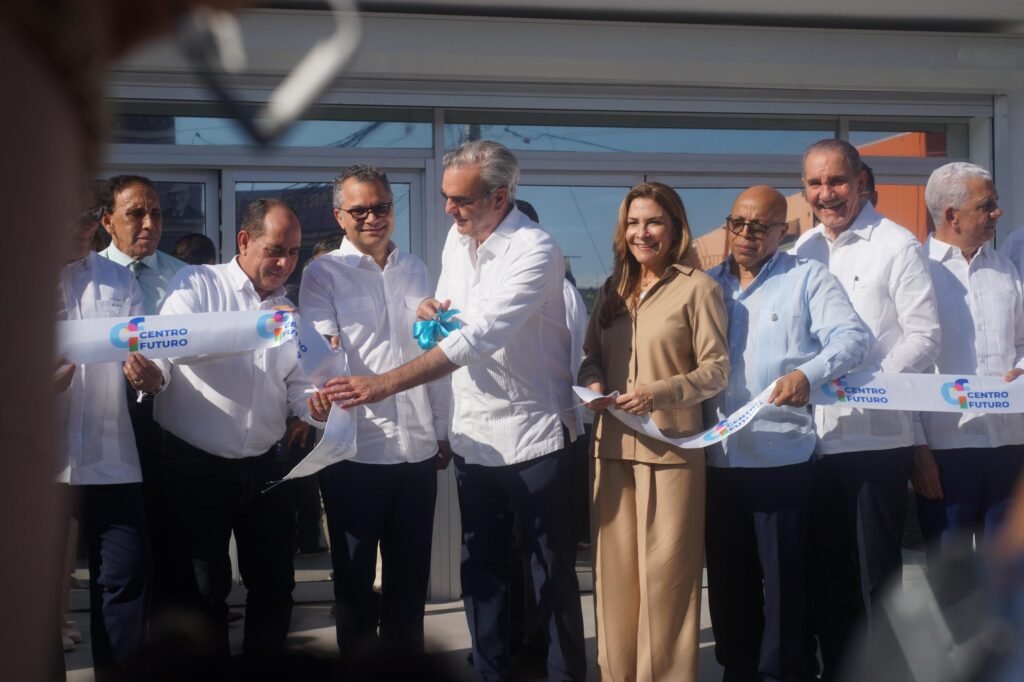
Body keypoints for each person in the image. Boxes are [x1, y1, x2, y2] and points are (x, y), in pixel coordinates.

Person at [323, 140, 586, 681]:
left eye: (461, 200)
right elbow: (448, 318)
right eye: (446, 198)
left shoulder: (535, 249)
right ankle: (491, 672)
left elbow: (477, 339)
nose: (448, 210)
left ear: (500, 196)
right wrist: (429, 308)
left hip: (533, 438)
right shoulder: (455, 239)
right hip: (473, 438)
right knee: (481, 574)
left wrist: (384, 385)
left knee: (549, 575)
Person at [152, 198, 329, 672]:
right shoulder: (197, 284)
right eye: (275, 250)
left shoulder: (288, 310)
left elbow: (298, 381)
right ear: (244, 241)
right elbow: (170, 347)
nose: (284, 263)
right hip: (195, 463)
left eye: (293, 253)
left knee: (275, 585)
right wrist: (152, 375)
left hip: (266, 465)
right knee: (202, 589)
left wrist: (312, 407)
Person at [703, 186, 869, 682]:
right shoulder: (709, 285)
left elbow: (852, 338)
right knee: (730, 580)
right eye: (738, 223)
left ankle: (786, 671)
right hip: (717, 457)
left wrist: (809, 374)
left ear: (783, 231)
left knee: (783, 582)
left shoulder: (807, 278)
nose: (746, 235)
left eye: (760, 227)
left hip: (781, 458)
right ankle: (738, 667)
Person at [793, 139, 940, 679]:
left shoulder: (898, 245)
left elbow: (924, 336)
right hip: (812, 441)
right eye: (815, 183)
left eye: (836, 181)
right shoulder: (802, 249)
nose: (826, 194)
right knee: (826, 573)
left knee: (875, 576)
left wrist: (867, 388)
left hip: (875, 440)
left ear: (860, 180)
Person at [576, 181, 728, 682]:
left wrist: (657, 393)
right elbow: (590, 358)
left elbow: (716, 371)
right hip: (612, 449)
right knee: (615, 583)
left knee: (667, 583)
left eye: (654, 222)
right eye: (634, 222)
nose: (643, 232)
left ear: (675, 227)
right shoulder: (612, 290)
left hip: (673, 451)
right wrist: (593, 382)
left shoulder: (699, 288)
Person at [299, 165, 451, 653]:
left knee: (410, 587)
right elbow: (323, 358)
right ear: (339, 215)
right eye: (359, 210)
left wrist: (443, 429)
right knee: (355, 586)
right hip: (356, 453)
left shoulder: (416, 268)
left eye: (381, 207)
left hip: (418, 449)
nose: (372, 218)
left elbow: (434, 357)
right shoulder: (323, 274)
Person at [57, 205, 163, 681]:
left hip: (110, 454)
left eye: (87, 215)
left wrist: (147, 378)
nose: (79, 225)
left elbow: (143, 351)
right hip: (40, 460)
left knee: (123, 580)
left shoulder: (119, 282)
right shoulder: (15, 272)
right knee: (32, 590)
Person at [913, 162, 1024, 559]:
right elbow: (906, 368)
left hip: (1010, 444)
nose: (998, 213)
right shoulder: (916, 272)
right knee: (950, 577)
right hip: (946, 448)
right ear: (951, 215)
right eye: (988, 205)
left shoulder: (1005, 269)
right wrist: (917, 449)